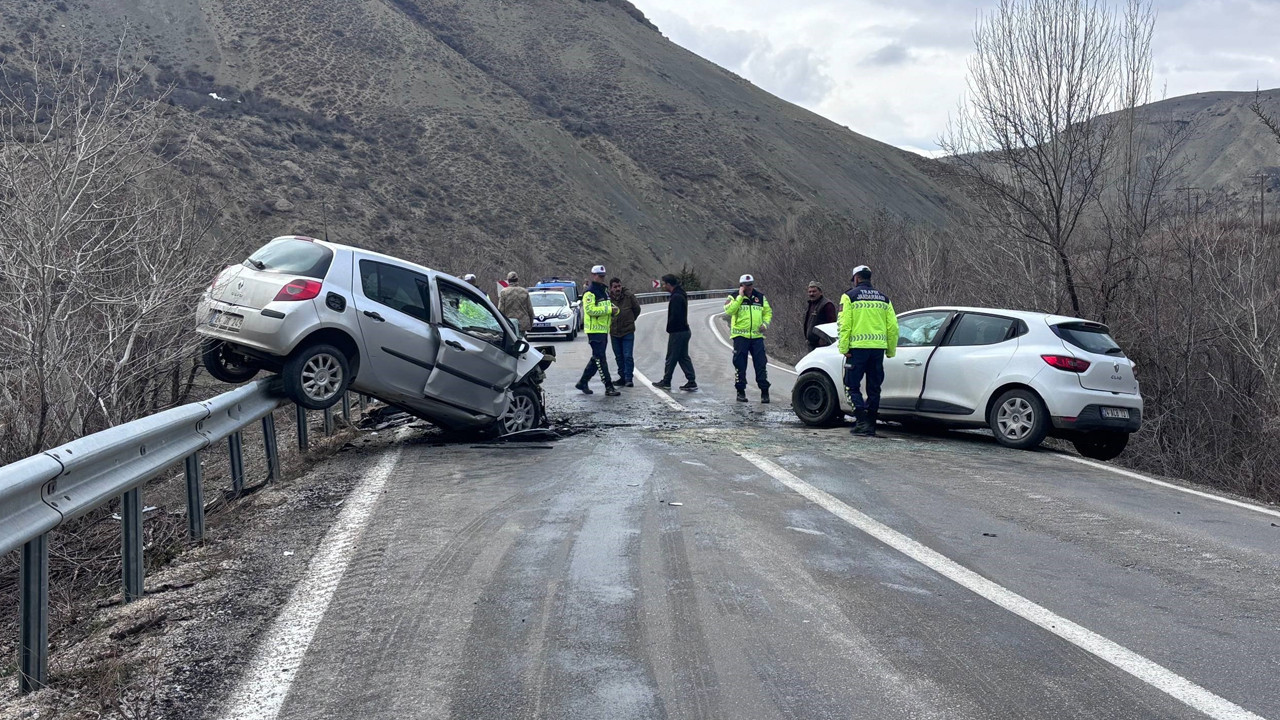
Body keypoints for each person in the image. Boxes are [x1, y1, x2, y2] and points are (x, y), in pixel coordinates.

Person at [838, 265, 899, 437]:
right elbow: (893, 327)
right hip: (877, 350)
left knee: (851, 385)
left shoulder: (849, 296)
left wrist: (844, 348)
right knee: (874, 387)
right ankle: (871, 424)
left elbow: (844, 324)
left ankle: (861, 421)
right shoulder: (884, 299)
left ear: (856, 278)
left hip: (857, 350)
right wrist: (890, 350)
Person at [725, 273, 772, 403]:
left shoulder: (760, 297)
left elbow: (768, 312)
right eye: (746, 285)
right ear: (741, 286)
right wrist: (740, 297)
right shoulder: (733, 296)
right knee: (740, 365)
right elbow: (729, 311)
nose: (748, 287)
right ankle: (740, 392)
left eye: (750, 285)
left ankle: (764, 392)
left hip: (757, 337)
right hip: (740, 337)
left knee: (761, 364)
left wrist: (765, 324)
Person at [577, 265, 621, 397]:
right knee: (600, 358)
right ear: (593, 275)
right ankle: (608, 386)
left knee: (597, 358)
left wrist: (615, 311)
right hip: (594, 330)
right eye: (599, 276)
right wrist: (609, 310)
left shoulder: (604, 291)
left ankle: (583, 382)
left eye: (603, 276)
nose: (601, 278)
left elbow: (609, 306)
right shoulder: (590, 292)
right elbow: (590, 310)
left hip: (603, 329)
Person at [653, 274, 697, 391]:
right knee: (682, 357)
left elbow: (676, 316)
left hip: (678, 331)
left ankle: (666, 381)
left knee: (671, 357)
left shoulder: (676, 297)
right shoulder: (680, 293)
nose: (663, 286)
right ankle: (691, 380)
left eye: (664, 284)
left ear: (668, 284)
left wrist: (670, 328)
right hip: (684, 330)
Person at [608, 277, 641, 387]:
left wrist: (630, 320)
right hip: (614, 331)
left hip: (627, 331)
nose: (618, 288)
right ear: (611, 288)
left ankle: (628, 378)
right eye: (615, 287)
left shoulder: (629, 296)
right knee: (618, 356)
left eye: (619, 286)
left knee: (627, 356)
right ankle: (622, 377)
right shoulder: (608, 299)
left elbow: (637, 309)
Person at [497, 271, 534, 337]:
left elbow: (500, 310)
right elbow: (530, 310)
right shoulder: (524, 292)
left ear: (508, 280)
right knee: (521, 341)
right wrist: (530, 324)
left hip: (509, 323)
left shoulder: (504, 292)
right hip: (522, 324)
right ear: (517, 280)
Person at [803, 280, 838, 350]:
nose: (811, 294)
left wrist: (824, 339)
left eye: (814, 291)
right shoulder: (810, 304)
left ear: (821, 292)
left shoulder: (827, 305)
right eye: (810, 292)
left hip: (823, 345)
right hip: (811, 344)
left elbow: (832, 323)